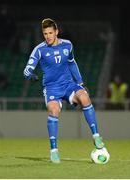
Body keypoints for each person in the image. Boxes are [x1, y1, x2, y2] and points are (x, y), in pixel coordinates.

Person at [23, 18, 107, 163]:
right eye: (45, 33)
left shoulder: (67, 45)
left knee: (85, 98)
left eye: (50, 32)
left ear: (56, 32)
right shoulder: (39, 49)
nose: (48, 36)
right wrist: (31, 75)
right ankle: (54, 151)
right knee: (54, 110)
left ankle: (96, 136)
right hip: (51, 88)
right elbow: (26, 70)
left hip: (68, 85)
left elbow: (72, 63)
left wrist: (80, 82)